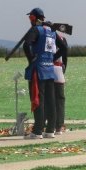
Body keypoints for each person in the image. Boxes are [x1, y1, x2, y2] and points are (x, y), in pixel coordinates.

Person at [22, 7, 57, 138]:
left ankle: (37, 131)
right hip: (50, 69)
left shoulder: (36, 30)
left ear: (34, 18)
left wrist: (31, 59)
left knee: (37, 99)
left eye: (30, 17)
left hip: (38, 70)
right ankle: (50, 130)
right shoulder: (52, 31)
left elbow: (26, 45)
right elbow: (63, 47)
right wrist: (51, 59)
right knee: (50, 100)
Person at [53, 30, 68, 134]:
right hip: (59, 70)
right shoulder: (62, 39)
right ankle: (58, 126)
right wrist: (64, 70)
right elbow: (65, 57)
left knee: (50, 100)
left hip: (48, 69)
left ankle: (52, 126)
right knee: (59, 99)